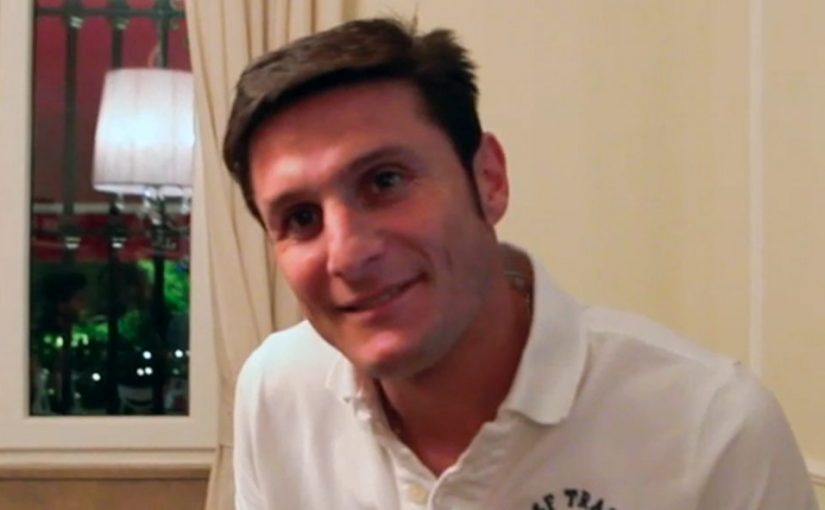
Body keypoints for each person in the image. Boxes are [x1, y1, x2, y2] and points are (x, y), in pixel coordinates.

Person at [222, 18, 818, 509]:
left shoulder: (713, 430)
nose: (349, 254)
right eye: (301, 218)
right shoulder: (278, 391)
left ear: (489, 179)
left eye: (385, 181)